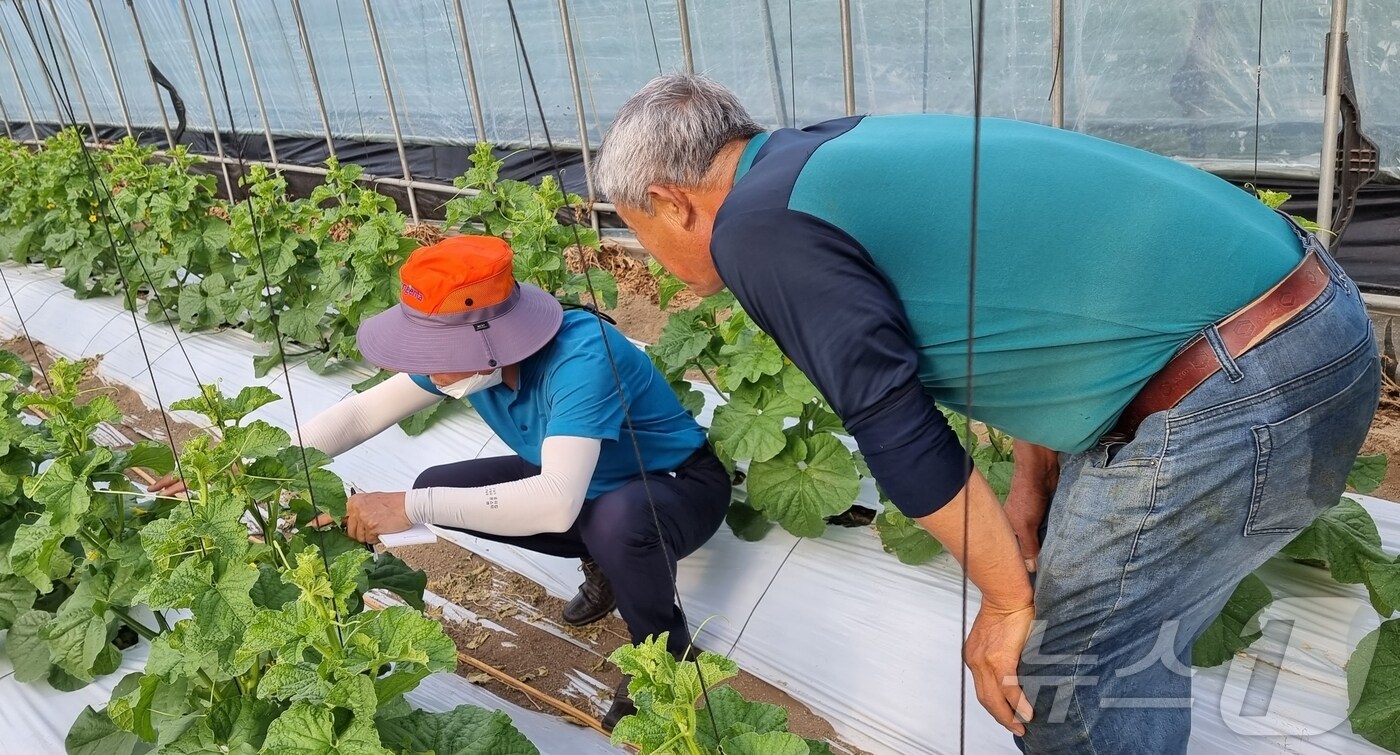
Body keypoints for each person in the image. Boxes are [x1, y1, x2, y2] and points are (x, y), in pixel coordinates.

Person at [593, 74, 1380, 754]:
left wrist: (1005, 603)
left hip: (1245, 378)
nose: (646, 253)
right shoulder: (827, 153)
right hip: (1304, 323)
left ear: (668, 202)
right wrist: (1033, 477)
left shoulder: (757, 228)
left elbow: (894, 424)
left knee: (1056, 678)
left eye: (637, 228)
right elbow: (1034, 304)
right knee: (1114, 648)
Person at [151, 235, 731, 728]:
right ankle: (605, 564)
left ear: (489, 342)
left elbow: (556, 503)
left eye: (435, 349)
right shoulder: (468, 357)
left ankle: (664, 653)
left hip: (675, 483)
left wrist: (410, 506)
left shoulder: (583, 358)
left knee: (615, 522)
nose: (425, 365)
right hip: (584, 476)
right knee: (443, 484)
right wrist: (243, 467)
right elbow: (360, 414)